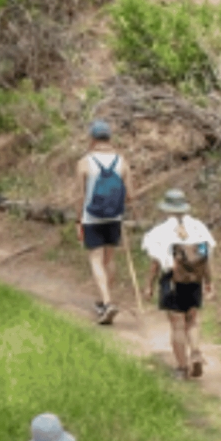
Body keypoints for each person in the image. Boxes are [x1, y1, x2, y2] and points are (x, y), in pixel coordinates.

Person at [141, 189, 217, 379]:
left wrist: (149, 285)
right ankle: (196, 352)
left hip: (172, 280)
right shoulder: (199, 227)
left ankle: (182, 368)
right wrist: (209, 282)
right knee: (192, 320)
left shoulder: (160, 232)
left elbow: (155, 263)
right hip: (194, 280)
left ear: (166, 208)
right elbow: (206, 257)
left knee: (177, 325)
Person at [75, 120, 134, 324]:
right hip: (114, 217)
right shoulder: (122, 161)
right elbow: (130, 195)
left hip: (92, 217)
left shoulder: (84, 162)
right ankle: (103, 301)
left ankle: (107, 303)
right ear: (110, 138)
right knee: (109, 260)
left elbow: (80, 196)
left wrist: (78, 220)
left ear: (92, 139)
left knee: (96, 259)